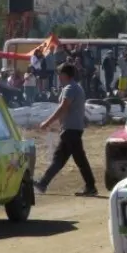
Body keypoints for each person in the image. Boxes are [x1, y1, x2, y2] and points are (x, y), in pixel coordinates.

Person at [34, 63, 98, 197]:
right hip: (72, 129)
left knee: (71, 159)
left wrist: (47, 122)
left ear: (64, 74)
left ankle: (90, 186)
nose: (58, 77)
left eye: (60, 74)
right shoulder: (76, 87)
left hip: (71, 130)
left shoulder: (70, 88)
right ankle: (43, 183)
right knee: (63, 159)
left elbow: (63, 107)